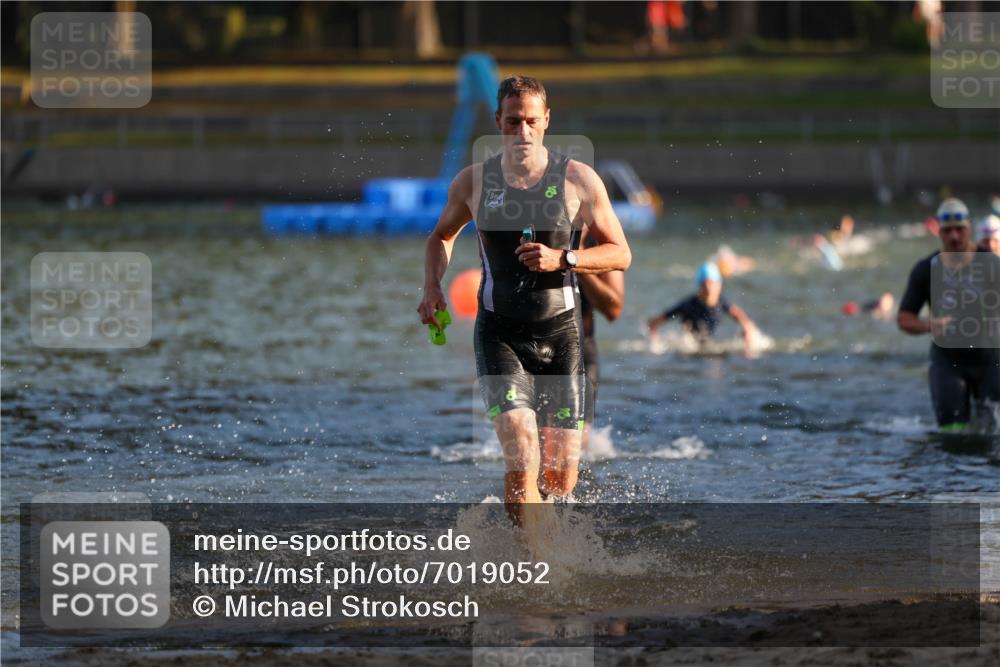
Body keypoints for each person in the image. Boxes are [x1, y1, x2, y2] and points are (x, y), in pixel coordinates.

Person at [417, 75, 631, 525]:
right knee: (521, 456)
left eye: (532, 121)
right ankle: (532, 570)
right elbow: (441, 236)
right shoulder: (474, 182)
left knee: (559, 478)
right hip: (501, 335)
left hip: (563, 337)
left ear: (547, 120)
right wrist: (433, 288)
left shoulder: (578, 179)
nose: (523, 132)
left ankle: (541, 530)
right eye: (513, 122)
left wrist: (564, 258)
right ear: (498, 121)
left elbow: (621, 252)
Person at [897, 198, 1000, 430]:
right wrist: (928, 325)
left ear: (969, 228)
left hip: (991, 360)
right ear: (939, 232)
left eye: (959, 229)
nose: (954, 236)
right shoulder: (927, 269)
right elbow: (904, 317)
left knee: (994, 434)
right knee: (952, 434)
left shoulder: (992, 264)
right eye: (947, 231)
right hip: (948, 363)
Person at [576, 228, 625, 454]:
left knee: (576, 446)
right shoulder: (537, 228)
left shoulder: (602, 239)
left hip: (582, 352)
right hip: (534, 350)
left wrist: (575, 260)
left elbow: (613, 309)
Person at [647, 262, 758, 357]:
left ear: (719, 286)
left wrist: (748, 332)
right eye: (705, 285)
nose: (709, 289)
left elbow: (739, 315)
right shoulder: (688, 305)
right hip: (689, 349)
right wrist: (654, 343)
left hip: (708, 345)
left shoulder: (722, 302)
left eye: (712, 284)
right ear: (700, 287)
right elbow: (654, 323)